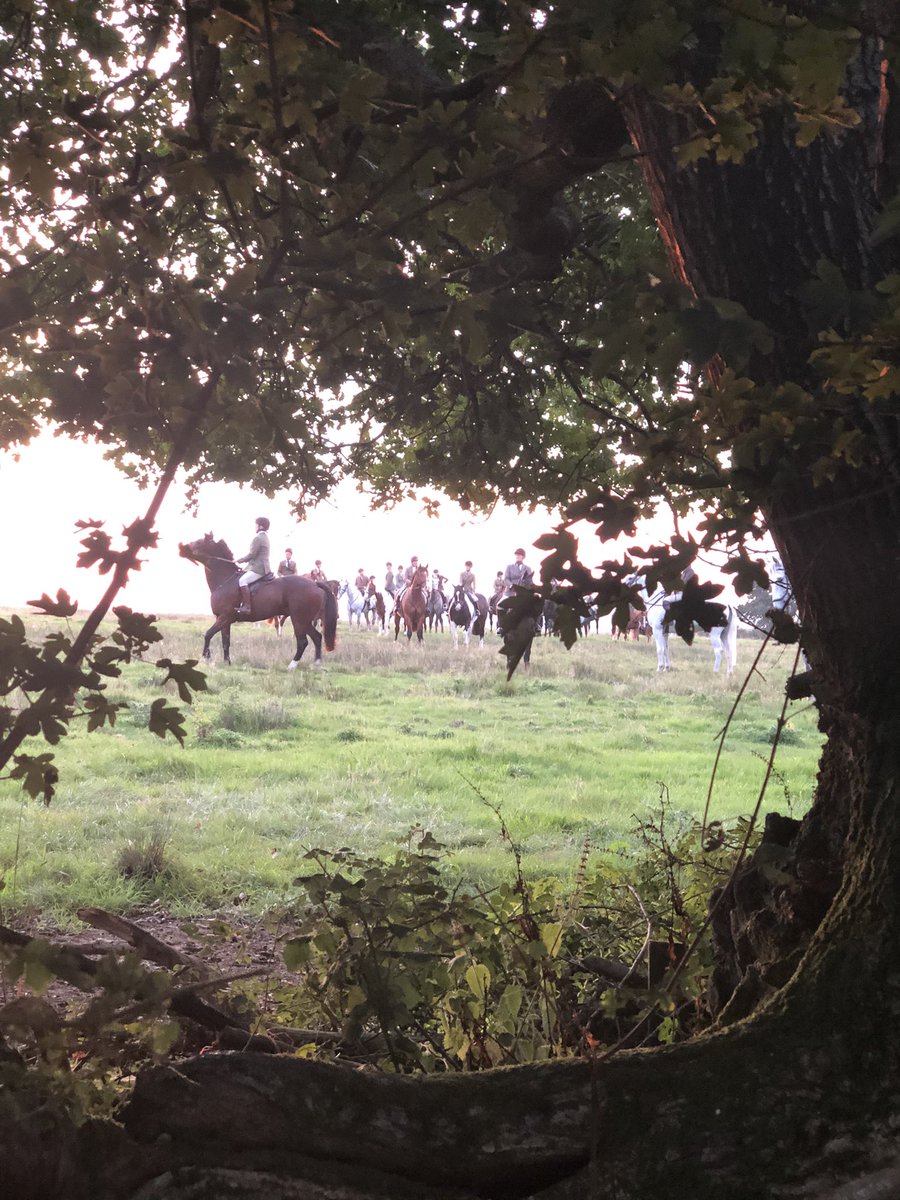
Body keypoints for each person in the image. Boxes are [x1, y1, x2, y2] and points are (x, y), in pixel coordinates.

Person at [235, 516, 271, 615]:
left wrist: (239, 560)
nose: (254, 526)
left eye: (256, 524)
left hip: (259, 568)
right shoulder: (265, 537)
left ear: (260, 526)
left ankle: (247, 607)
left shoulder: (258, 538)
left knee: (242, 580)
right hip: (262, 566)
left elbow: (252, 555)